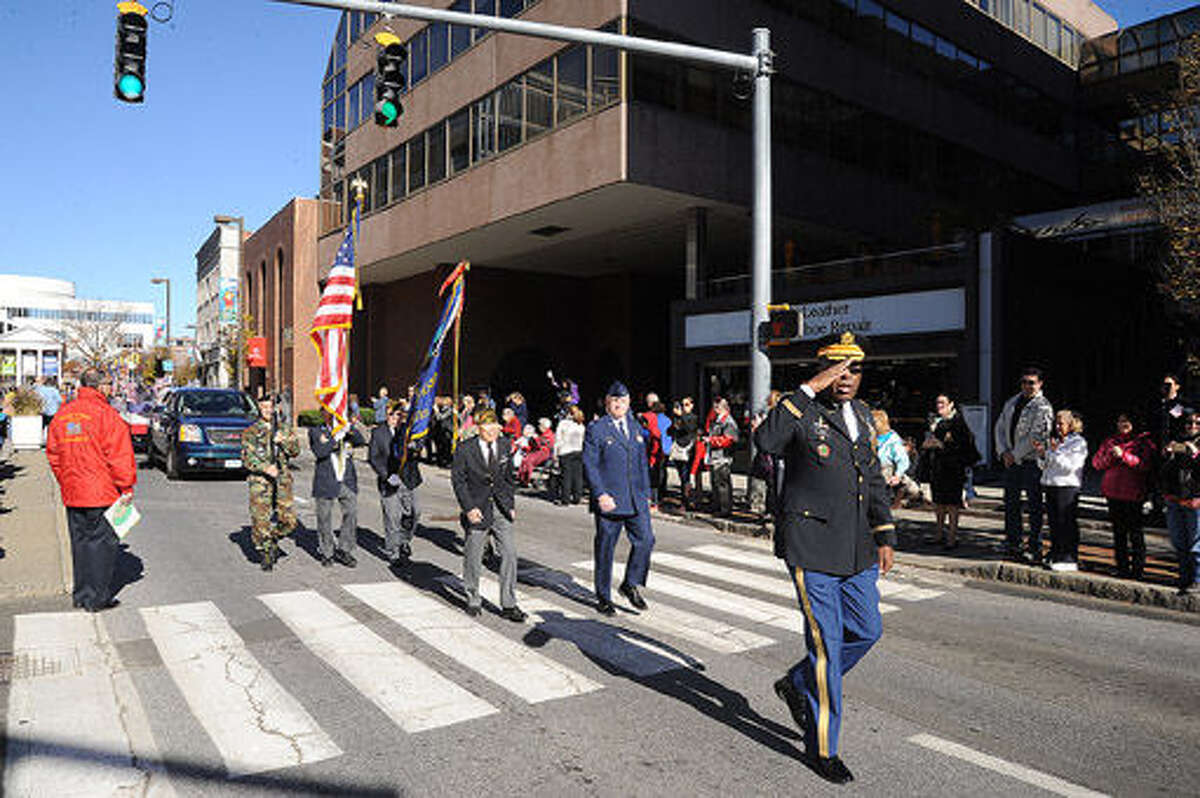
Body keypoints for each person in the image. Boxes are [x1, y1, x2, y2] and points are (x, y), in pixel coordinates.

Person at [753, 332, 895, 785]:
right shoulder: (802, 409)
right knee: (826, 649)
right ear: (822, 370)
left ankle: (796, 682)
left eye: (854, 369)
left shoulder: (862, 416)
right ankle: (823, 747)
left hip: (856, 549)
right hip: (812, 547)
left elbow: (871, 479)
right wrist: (810, 387)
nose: (847, 377)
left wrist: (885, 533)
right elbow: (766, 441)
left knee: (868, 630)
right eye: (838, 368)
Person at [45, 367, 136, 612]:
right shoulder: (107, 416)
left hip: (74, 491)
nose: (112, 388)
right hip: (102, 492)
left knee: (80, 542)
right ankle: (97, 597)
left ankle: (82, 593)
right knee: (102, 544)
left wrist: (66, 479)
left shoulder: (63, 415)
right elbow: (119, 456)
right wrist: (126, 487)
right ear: (101, 386)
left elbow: (53, 454)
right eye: (109, 384)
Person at [583, 381, 656, 616]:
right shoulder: (597, 428)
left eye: (623, 401)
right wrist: (600, 494)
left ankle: (630, 583)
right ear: (607, 403)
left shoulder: (635, 427)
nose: (618, 405)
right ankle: (603, 596)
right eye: (614, 401)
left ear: (628, 403)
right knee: (605, 549)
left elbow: (642, 464)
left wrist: (646, 494)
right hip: (610, 500)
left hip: (635, 498)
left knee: (646, 540)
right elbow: (590, 465)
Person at [451, 408, 526, 621]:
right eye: (487, 426)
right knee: (473, 556)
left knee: (509, 554)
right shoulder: (465, 449)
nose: (492, 430)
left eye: (495, 425)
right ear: (478, 427)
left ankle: (509, 603)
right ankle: (473, 597)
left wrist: (510, 503)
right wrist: (468, 508)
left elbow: (509, 477)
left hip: (501, 508)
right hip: (477, 508)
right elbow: (458, 481)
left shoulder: (504, 445)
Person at [994, 367, 1054, 563]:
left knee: (1034, 505)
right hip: (1011, 461)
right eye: (1024, 382)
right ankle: (1012, 541)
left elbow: (1037, 436)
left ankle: (1034, 545)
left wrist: (1014, 454)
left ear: (1040, 384)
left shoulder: (1043, 406)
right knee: (1010, 503)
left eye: (1032, 382)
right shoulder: (1012, 401)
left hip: (1031, 462)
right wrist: (1003, 451)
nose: (1027, 386)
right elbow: (1000, 427)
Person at [241, 394, 301, 571]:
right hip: (260, 481)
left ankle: (273, 537)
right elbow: (247, 458)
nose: (267, 410)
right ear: (259, 408)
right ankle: (266, 552)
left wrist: (284, 441)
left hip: (282, 480)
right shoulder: (251, 432)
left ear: (276, 408)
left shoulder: (284, 429)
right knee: (261, 520)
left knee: (289, 521)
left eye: (270, 407)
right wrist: (265, 468)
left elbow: (296, 451)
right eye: (264, 407)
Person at [1092, 413, 1154, 579]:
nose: (1123, 424)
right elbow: (1096, 463)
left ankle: (1138, 569)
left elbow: (1144, 464)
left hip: (1133, 493)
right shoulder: (1110, 441)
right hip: (1113, 492)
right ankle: (1121, 567)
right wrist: (1110, 457)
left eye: (1127, 421)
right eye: (1120, 421)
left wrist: (1124, 456)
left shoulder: (1143, 442)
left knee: (1135, 533)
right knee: (1118, 533)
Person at [309, 408, 368, 567]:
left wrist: (350, 429)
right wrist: (335, 440)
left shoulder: (346, 430)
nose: (334, 415)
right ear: (323, 414)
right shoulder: (316, 431)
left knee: (351, 513)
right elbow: (320, 452)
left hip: (346, 480)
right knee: (324, 517)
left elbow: (362, 441)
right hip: (326, 480)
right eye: (329, 412)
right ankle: (327, 552)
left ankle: (344, 549)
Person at [921, 394, 979, 549]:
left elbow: (964, 446)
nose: (939, 405)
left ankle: (952, 537)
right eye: (937, 402)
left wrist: (942, 445)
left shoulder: (958, 422)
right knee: (938, 502)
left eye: (942, 403)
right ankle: (939, 534)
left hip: (953, 469)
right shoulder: (935, 422)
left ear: (951, 404)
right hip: (937, 468)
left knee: (952, 504)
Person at [1035, 410, 1088, 571]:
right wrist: (1043, 454)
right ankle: (1056, 553)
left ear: (1071, 424)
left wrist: (1054, 452)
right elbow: (1044, 466)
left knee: (1066, 522)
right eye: (1056, 423)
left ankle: (1069, 557)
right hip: (1051, 484)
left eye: (1061, 423)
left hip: (1067, 486)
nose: (1057, 427)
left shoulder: (1078, 443)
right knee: (1054, 523)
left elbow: (1069, 467)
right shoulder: (1056, 441)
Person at [369, 400, 421, 565]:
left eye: (401, 415)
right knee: (392, 517)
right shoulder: (378, 433)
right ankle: (393, 552)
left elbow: (418, 449)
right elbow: (373, 457)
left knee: (415, 512)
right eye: (396, 415)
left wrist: (415, 448)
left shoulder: (407, 431)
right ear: (388, 415)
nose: (399, 418)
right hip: (389, 481)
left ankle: (404, 540)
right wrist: (385, 475)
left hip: (408, 479)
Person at [1160, 409, 1200, 595]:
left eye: (1197, 423)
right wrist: (1168, 455)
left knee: (1196, 544)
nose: (1192, 426)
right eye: (1189, 423)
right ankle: (1184, 577)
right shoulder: (1177, 441)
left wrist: (1195, 455)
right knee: (1179, 541)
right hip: (1175, 497)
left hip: (1195, 499)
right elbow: (1164, 472)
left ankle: (1197, 579)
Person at [872, 409, 920, 510]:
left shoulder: (893, 439)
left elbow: (903, 460)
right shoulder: (871, 437)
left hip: (885, 473)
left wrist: (897, 475)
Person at [705, 397, 739, 517]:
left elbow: (728, 440)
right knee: (715, 483)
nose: (714, 409)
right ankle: (717, 506)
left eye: (716, 407)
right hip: (715, 457)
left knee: (722, 484)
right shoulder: (717, 420)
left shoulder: (728, 422)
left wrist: (711, 440)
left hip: (722, 458)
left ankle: (725, 509)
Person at [668, 397, 699, 509]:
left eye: (686, 405)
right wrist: (675, 420)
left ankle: (688, 501)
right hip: (678, 448)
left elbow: (689, 428)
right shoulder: (679, 418)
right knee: (681, 476)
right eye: (682, 405)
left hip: (688, 449)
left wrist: (681, 416)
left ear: (692, 406)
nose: (684, 407)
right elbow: (670, 431)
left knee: (687, 477)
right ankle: (684, 499)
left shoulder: (693, 417)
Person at [554, 405, 587, 505]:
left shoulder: (563, 424)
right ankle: (577, 497)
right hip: (578, 451)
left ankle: (565, 499)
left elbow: (558, 439)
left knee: (566, 476)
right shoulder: (580, 424)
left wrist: (555, 453)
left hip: (565, 451)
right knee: (577, 476)